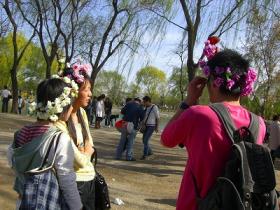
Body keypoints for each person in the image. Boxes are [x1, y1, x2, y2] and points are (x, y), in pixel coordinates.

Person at [161, 49, 266, 210]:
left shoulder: (199, 115)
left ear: (213, 82)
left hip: (196, 205)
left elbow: (166, 139)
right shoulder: (259, 124)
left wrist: (188, 101)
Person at [8, 78, 82, 210]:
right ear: (61, 107)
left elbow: (11, 159)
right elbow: (66, 179)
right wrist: (77, 206)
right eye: (70, 104)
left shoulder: (20, 133)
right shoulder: (59, 138)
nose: (71, 107)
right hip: (46, 201)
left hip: (23, 201)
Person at [56, 64, 97, 210]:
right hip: (74, 184)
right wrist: (85, 152)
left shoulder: (82, 113)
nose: (90, 94)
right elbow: (78, 161)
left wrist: (84, 151)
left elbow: (90, 144)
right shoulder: (59, 122)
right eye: (86, 90)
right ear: (73, 92)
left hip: (90, 180)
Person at [140, 96, 160, 160]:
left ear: (148, 101)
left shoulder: (154, 107)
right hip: (146, 126)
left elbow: (158, 118)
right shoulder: (146, 107)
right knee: (143, 140)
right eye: (143, 102)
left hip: (151, 126)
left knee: (146, 140)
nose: (144, 103)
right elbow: (144, 117)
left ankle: (145, 155)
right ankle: (150, 152)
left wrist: (157, 127)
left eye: (145, 102)